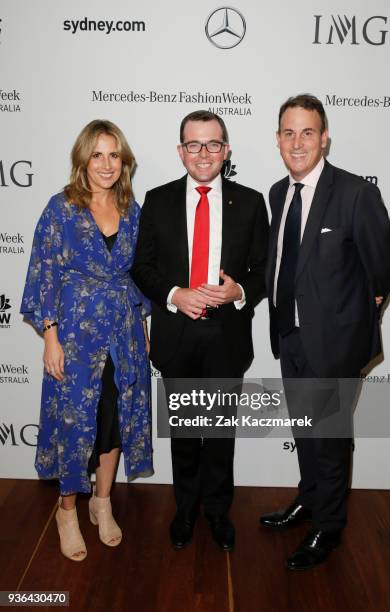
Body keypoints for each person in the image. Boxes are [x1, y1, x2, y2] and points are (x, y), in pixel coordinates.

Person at [260, 94, 390, 569]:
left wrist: (361, 308)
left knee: (331, 438)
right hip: (291, 337)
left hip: (336, 343)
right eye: (288, 132)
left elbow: (385, 265)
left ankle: (329, 527)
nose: (297, 142)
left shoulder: (356, 193)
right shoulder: (279, 193)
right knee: (305, 431)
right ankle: (309, 500)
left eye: (307, 132)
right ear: (278, 139)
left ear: (324, 138)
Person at [133, 110, 269, 551]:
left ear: (226, 150)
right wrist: (176, 294)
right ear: (181, 151)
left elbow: (266, 269)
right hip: (177, 334)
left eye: (213, 144)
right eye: (194, 144)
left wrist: (239, 291)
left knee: (221, 433)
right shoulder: (157, 200)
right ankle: (186, 509)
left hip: (226, 336)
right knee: (187, 432)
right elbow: (142, 268)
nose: (204, 153)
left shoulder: (251, 202)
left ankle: (217, 511)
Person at [21, 120, 153, 561]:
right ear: (82, 159)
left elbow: (138, 276)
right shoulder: (61, 209)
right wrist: (50, 337)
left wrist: (144, 330)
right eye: (97, 154)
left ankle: (102, 500)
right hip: (76, 337)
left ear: (124, 161)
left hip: (124, 334)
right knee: (75, 422)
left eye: (114, 154)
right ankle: (66, 511)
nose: (106, 164)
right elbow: (45, 275)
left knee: (114, 418)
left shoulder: (133, 210)